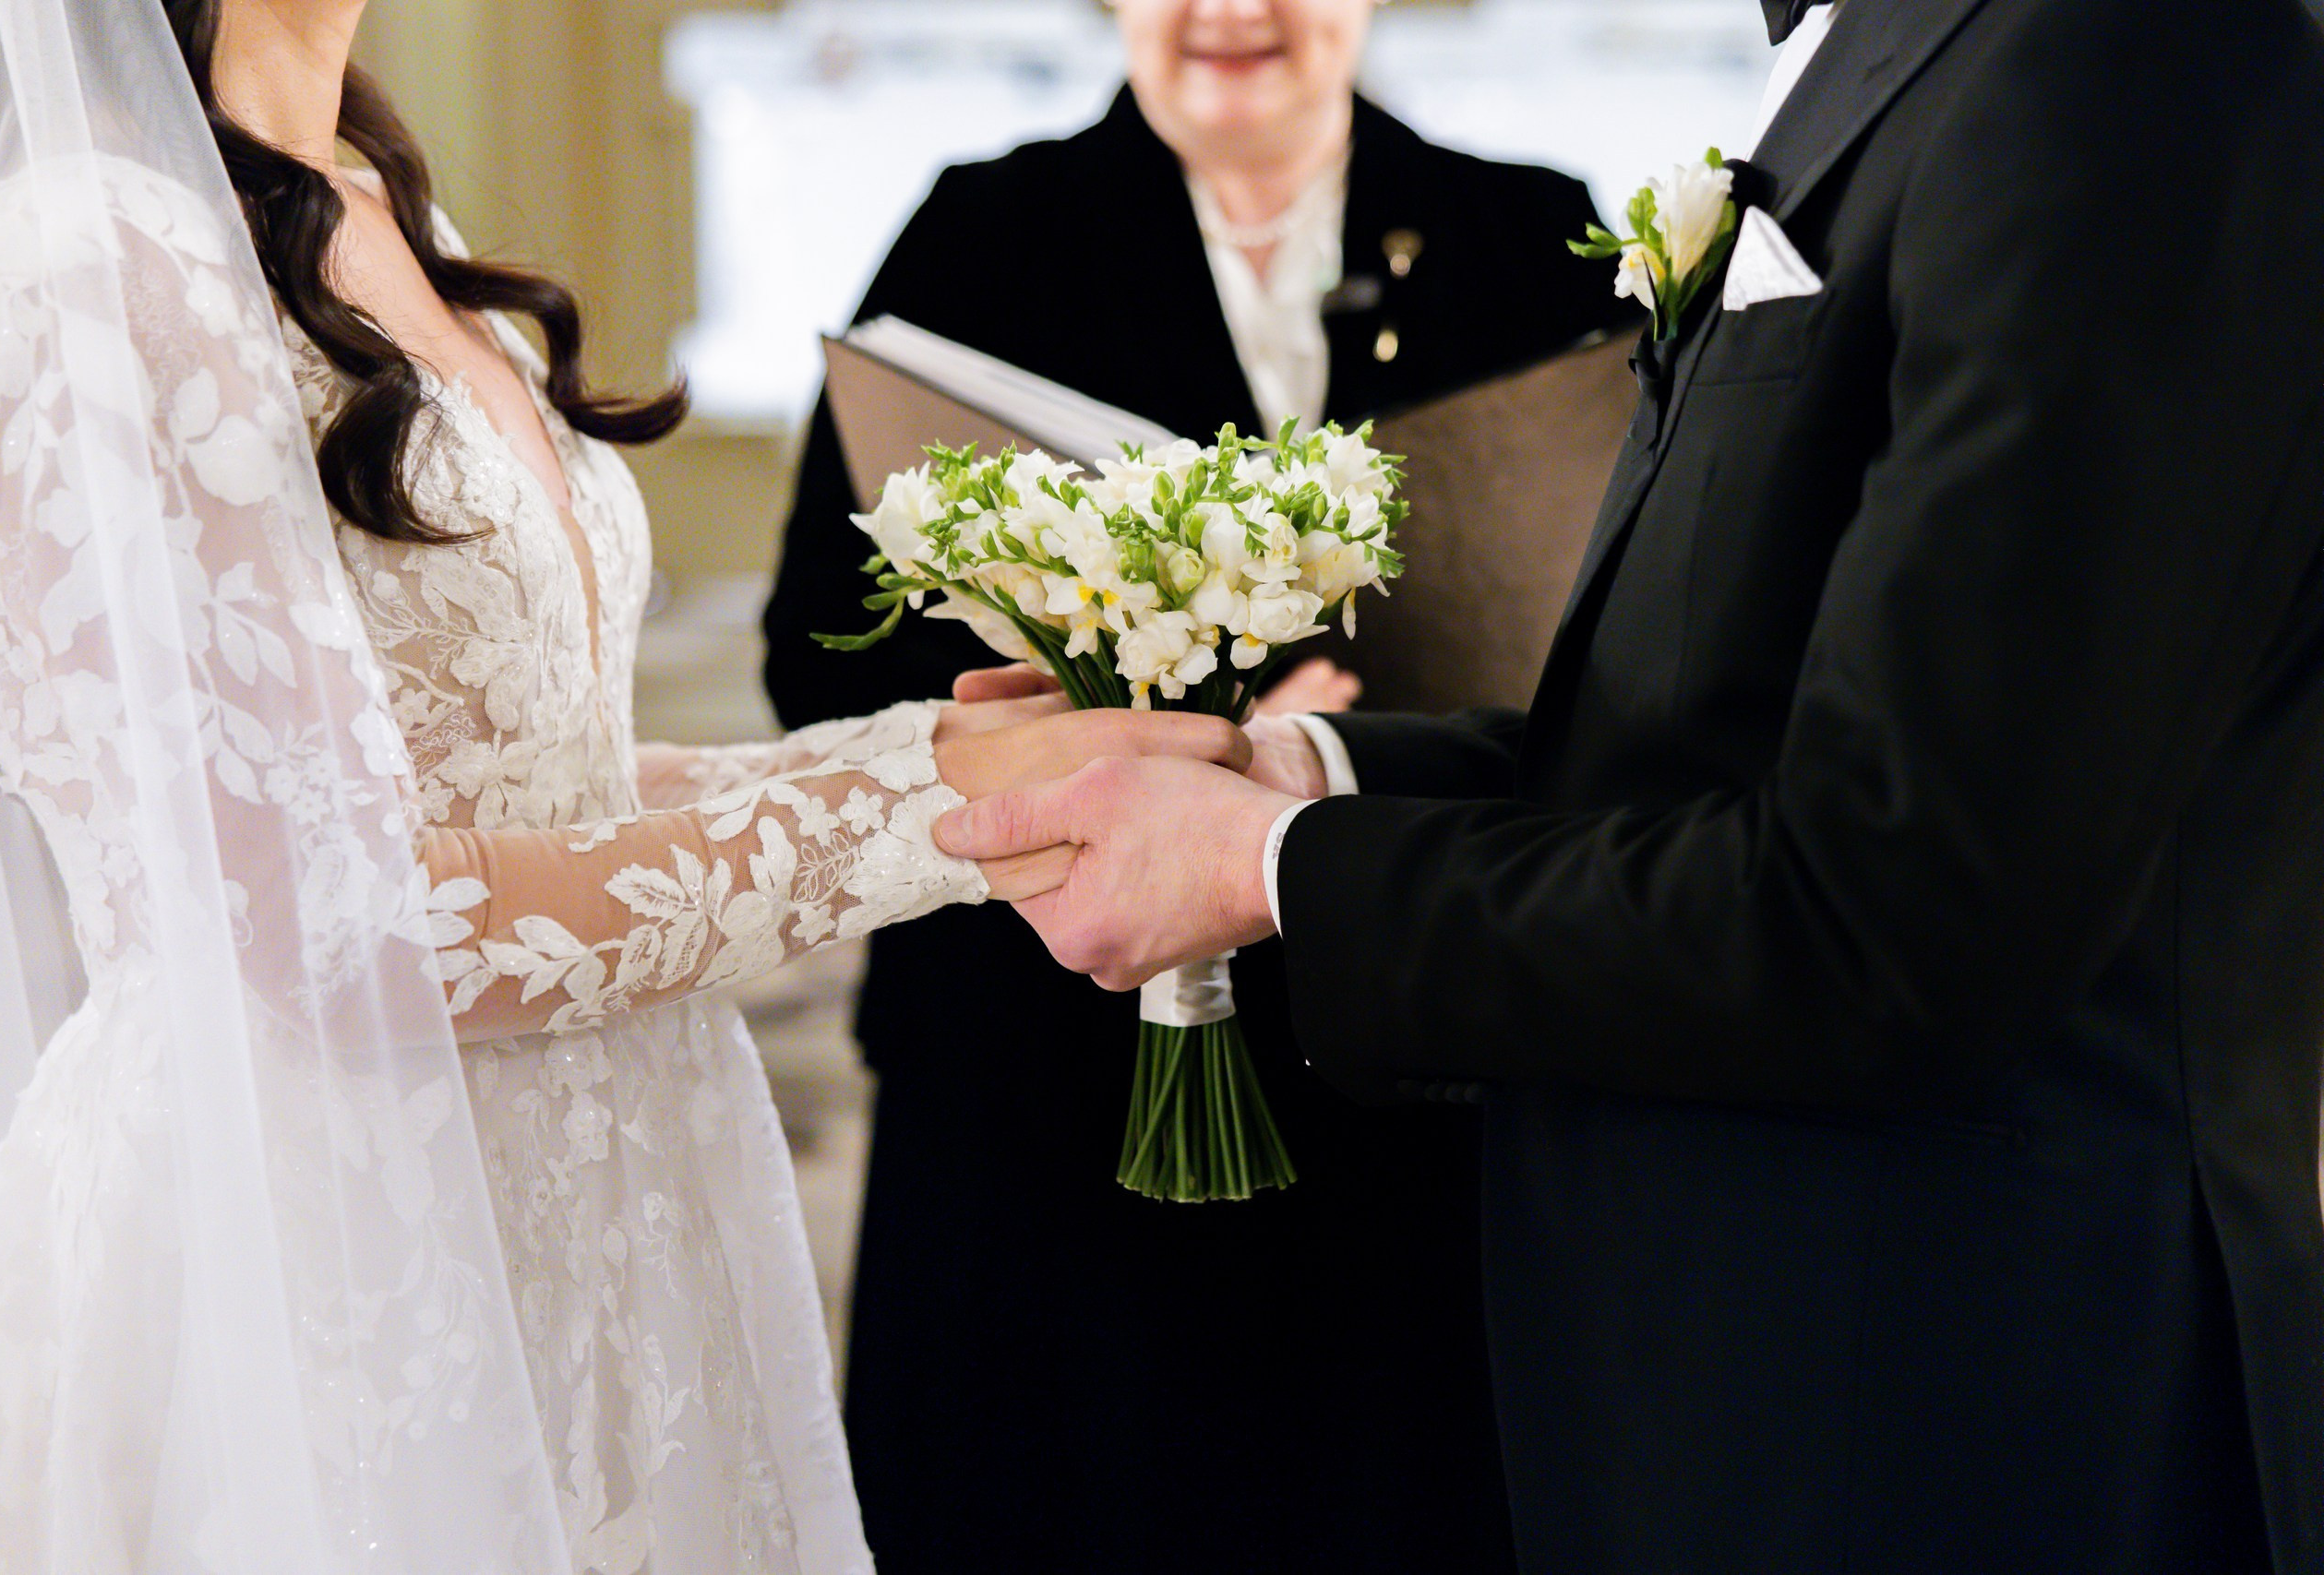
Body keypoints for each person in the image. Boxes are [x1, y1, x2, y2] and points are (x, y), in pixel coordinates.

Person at [940, 0, 2324, 1568]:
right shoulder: (1901, 55)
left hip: (1971, 1407)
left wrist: (1272, 866)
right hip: (1739, 1380)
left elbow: (1889, 908)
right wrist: (1293, 766)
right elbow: (1705, 736)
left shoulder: (2126, 55)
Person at [0, 0, 1227, 1567]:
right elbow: (336, 922)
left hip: (604, 1199)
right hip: (321, 1253)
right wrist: (921, 828)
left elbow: (518, 781)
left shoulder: (372, 202)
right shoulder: (81, 269)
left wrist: (942, 753)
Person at [761, 1, 1624, 1568]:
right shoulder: (984, 236)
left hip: (1409, 1089)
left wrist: (1338, 745)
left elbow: (1626, 662)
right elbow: (817, 663)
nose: (1231, 8)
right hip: (1042, 1108)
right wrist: (1142, 730)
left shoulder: (1530, 230)